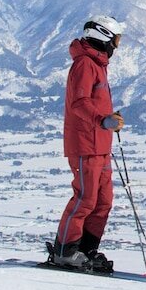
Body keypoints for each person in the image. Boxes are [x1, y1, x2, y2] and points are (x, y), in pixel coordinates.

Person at [51, 15, 126, 270]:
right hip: (86, 144)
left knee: (103, 201)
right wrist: (103, 120)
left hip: (101, 146)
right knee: (85, 198)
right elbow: (79, 103)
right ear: (104, 37)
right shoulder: (84, 64)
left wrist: (109, 120)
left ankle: (85, 250)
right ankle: (65, 251)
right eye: (115, 40)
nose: (116, 46)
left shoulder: (98, 65)